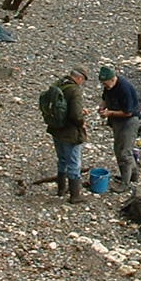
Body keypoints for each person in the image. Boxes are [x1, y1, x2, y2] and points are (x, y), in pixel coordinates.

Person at [46, 65, 89, 203]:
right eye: (83, 80)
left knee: (62, 159)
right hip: (70, 133)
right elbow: (75, 115)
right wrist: (82, 122)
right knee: (74, 163)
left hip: (56, 128)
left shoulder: (58, 84)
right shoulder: (75, 91)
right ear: (79, 78)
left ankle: (61, 188)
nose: (82, 83)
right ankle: (75, 195)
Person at [98, 65, 141, 190]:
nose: (105, 86)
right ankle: (132, 175)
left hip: (129, 121)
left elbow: (128, 112)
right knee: (119, 149)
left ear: (113, 79)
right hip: (117, 121)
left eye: (106, 84)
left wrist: (109, 113)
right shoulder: (108, 87)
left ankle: (125, 184)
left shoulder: (124, 88)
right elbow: (105, 98)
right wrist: (102, 107)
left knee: (124, 152)